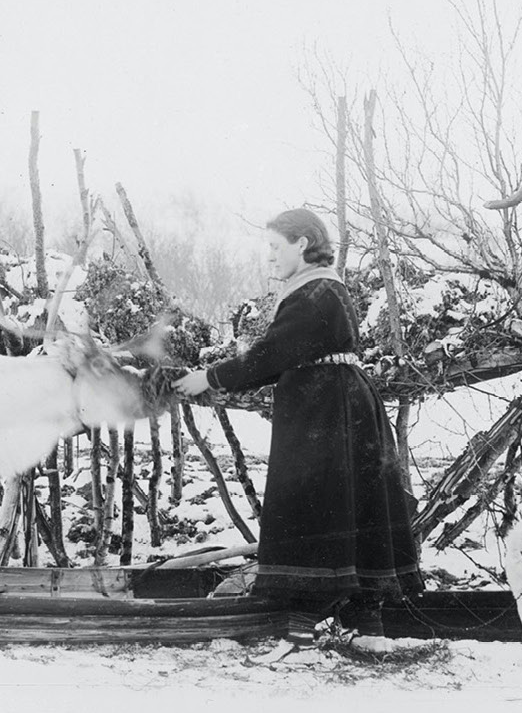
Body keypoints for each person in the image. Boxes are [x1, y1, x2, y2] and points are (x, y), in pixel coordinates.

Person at [173, 207, 421, 637]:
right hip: (339, 404)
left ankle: (300, 616)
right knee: (351, 503)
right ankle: (364, 618)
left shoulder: (314, 293)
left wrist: (209, 377)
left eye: (275, 246)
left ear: (302, 244)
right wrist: (226, 380)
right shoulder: (323, 289)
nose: (269, 257)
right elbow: (283, 357)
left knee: (313, 501)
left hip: (324, 411)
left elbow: (271, 353)